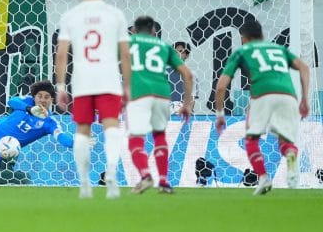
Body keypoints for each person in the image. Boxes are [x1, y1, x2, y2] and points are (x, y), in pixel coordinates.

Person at [54, 0, 131, 199]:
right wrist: (127, 86)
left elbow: (61, 54)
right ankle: (112, 175)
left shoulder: (71, 15)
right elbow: (125, 54)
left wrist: (60, 87)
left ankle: (85, 182)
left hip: (82, 81)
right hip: (108, 80)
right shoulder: (115, 14)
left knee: (82, 131)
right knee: (112, 129)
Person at [215, 20, 310, 194]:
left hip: (262, 95)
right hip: (288, 96)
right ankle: (290, 154)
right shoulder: (280, 50)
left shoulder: (242, 51)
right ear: (263, 35)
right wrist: (305, 98)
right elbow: (304, 68)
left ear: (243, 38)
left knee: (251, 139)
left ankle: (263, 177)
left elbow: (221, 86)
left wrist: (220, 114)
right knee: (285, 141)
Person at [127, 16, 193, 194]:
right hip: (163, 95)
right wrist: (187, 104)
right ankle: (163, 181)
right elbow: (187, 75)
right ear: (154, 32)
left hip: (139, 94)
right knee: (159, 136)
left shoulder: (127, 42)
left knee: (135, 138)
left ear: (134, 31)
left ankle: (145, 175)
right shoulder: (164, 47)